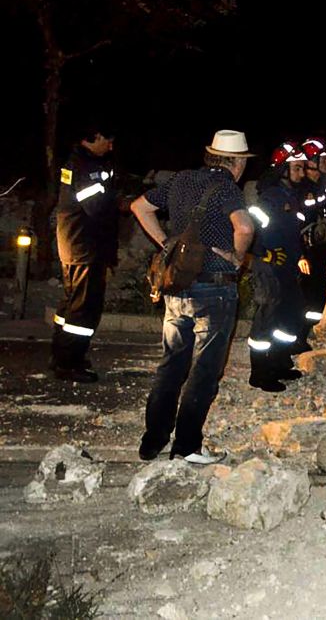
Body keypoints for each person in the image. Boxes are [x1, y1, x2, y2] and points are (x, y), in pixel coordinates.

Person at [130, 130, 255, 464]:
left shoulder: (180, 180)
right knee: (204, 371)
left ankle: (152, 441)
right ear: (237, 162)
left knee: (171, 365)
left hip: (178, 284)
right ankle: (186, 446)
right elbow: (244, 228)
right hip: (215, 286)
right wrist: (236, 257)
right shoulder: (228, 187)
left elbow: (139, 207)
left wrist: (166, 243)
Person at [51, 121, 119, 383]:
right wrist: (119, 205)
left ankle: (62, 354)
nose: (111, 145)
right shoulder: (84, 165)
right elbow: (97, 208)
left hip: (79, 243)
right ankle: (69, 363)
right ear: (96, 135)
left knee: (71, 303)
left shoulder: (85, 162)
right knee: (83, 309)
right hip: (84, 246)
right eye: (108, 139)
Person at [245, 141, 309, 392]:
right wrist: (266, 252)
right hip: (270, 267)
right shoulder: (270, 196)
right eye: (297, 168)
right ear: (282, 169)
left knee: (291, 313)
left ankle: (280, 363)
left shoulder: (290, 197)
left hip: (288, 266)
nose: (301, 173)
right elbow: (257, 222)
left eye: (302, 168)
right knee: (267, 318)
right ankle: (259, 373)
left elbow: (293, 232)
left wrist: (300, 255)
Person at [295, 136, 326, 347]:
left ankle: (304, 335)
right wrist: (299, 254)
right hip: (303, 250)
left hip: (319, 249)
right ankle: (295, 337)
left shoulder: (322, 182)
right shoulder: (299, 186)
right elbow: (292, 222)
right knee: (303, 294)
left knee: (317, 295)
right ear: (310, 161)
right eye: (322, 158)